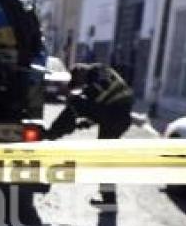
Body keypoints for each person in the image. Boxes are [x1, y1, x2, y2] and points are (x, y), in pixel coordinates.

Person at [45, 63, 134, 207]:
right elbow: (104, 102)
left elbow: (88, 103)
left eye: (78, 82)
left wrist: (73, 107)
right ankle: (109, 200)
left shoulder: (94, 74)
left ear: (80, 72)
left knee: (76, 104)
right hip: (118, 117)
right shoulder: (101, 70)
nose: (81, 85)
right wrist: (88, 121)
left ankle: (51, 133)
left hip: (114, 117)